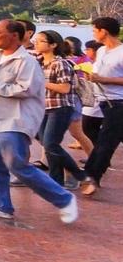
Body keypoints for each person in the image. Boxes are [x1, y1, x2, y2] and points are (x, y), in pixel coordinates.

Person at [0, 18, 78, 224]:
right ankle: (0, 204)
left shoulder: (26, 61)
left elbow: (25, 89)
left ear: (15, 35)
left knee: (17, 165)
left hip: (13, 121)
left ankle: (64, 199)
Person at [79, 16, 123, 197]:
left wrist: (102, 79)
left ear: (103, 31)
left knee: (106, 140)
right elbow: (97, 72)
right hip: (101, 100)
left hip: (118, 103)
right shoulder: (103, 50)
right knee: (92, 129)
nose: (92, 33)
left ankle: (92, 176)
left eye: (94, 30)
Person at [35, 30, 86, 189]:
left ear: (53, 45)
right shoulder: (38, 61)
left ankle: (78, 174)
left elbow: (64, 88)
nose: (36, 43)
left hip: (60, 107)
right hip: (43, 107)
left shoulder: (61, 63)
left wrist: (40, 82)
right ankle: (56, 180)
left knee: (51, 144)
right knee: (47, 144)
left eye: (40, 41)